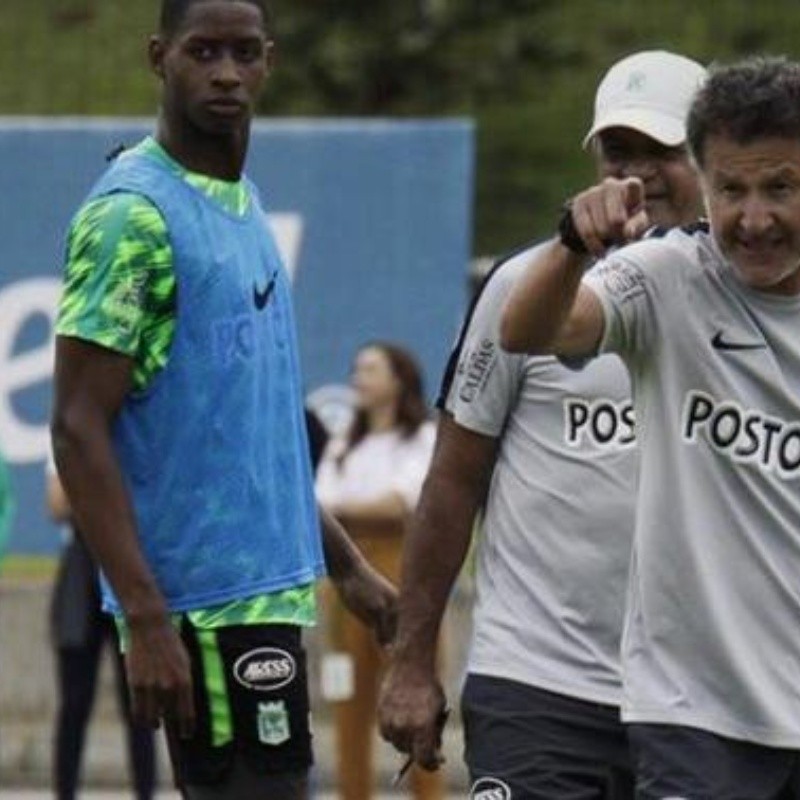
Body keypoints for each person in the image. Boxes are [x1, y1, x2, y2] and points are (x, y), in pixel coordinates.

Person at [50, 1, 396, 798]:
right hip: (201, 613)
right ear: (158, 56)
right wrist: (144, 616)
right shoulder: (131, 217)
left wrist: (342, 564)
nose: (227, 73)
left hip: (266, 597)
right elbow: (75, 428)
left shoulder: (242, 203)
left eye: (244, 53)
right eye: (203, 52)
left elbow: (252, 439)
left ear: (269, 60)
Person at [378, 51, 706, 798]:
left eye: (665, 152)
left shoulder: (749, 306)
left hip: (695, 698)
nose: (642, 174)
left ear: (710, 153)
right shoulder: (524, 291)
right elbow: (453, 480)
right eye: (621, 153)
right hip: (537, 681)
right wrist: (412, 660)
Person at [501, 55, 800, 799]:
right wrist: (572, 243)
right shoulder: (669, 277)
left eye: (782, 188)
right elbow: (533, 329)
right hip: (694, 717)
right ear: (704, 179)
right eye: (732, 189)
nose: (754, 218)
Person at [316, 342, 439, 800]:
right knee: (349, 702)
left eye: (369, 370)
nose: (358, 379)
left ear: (397, 380)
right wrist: (353, 513)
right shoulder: (346, 441)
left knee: (421, 702)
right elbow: (321, 500)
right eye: (356, 370)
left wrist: (343, 514)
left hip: (404, 572)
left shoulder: (423, 438)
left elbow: (400, 504)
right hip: (346, 580)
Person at [46, 459, 157, 800]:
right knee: (74, 701)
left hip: (128, 563)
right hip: (83, 568)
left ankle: (145, 791)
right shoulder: (68, 430)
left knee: (139, 701)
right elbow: (57, 503)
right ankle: (64, 792)